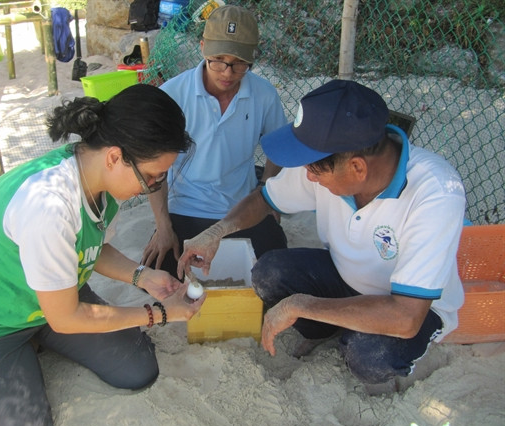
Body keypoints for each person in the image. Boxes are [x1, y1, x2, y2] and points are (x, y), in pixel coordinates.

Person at [0, 84, 205, 426]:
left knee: (138, 369)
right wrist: (161, 314)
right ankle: (20, 349)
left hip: (51, 301)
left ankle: (38, 341)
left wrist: (143, 277)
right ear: (116, 156)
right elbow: (67, 317)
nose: (153, 187)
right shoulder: (49, 205)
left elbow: (89, 249)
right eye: (152, 177)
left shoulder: (97, 177)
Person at [177, 79, 466, 394]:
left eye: (314, 170)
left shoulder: (435, 193)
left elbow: (406, 316)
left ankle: (385, 352)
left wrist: (302, 304)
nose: (307, 176)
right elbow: (264, 199)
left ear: (357, 168)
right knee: (269, 273)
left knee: (368, 356)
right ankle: (325, 329)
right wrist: (217, 231)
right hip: (346, 278)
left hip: (408, 306)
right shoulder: (329, 163)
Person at [141, 5, 288, 278]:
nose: (228, 73)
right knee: (157, 273)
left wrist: (266, 194)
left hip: (241, 207)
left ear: (252, 57)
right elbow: (153, 167)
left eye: (240, 62)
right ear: (202, 48)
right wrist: (163, 226)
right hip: (186, 205)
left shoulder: (265, 94)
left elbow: (278, 147)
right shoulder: (172, 93)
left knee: (276, 270)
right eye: (218, 59)